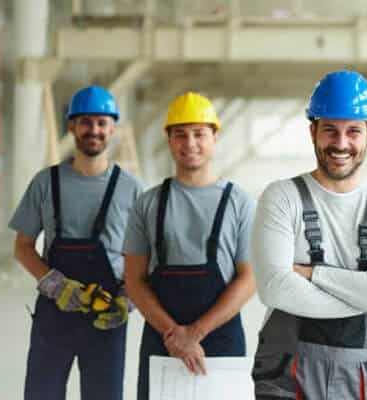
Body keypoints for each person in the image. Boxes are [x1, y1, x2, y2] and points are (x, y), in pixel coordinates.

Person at [251, 70, 367, 399]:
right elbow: (274, 288)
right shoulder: (282, 197)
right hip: (287, 373)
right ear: (313, 131)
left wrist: (312, 274)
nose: (341, 144)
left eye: (353, 131)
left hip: (362, 376)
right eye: (330, 130)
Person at [10, 85, 143, 400]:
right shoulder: (46, 183)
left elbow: (145, 255)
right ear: (71, 126)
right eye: (85, 122)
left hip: (107, 316)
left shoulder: (131, 188)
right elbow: (23, 246)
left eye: (101, 123)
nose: (93, 130)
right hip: (54, 315)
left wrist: (129, 298)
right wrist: (54, 283)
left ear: (112, 129)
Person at [122, 92, 257, 400]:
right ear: (169, 140)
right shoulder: (148, 203)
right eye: (180, 134)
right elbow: (134, 279)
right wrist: (174, 336)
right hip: (162, 340)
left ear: (214, 137)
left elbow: (250, 278)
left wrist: (193, 334)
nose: (190, 143)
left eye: (199, 134)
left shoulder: (239, 203)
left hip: (221, 339)